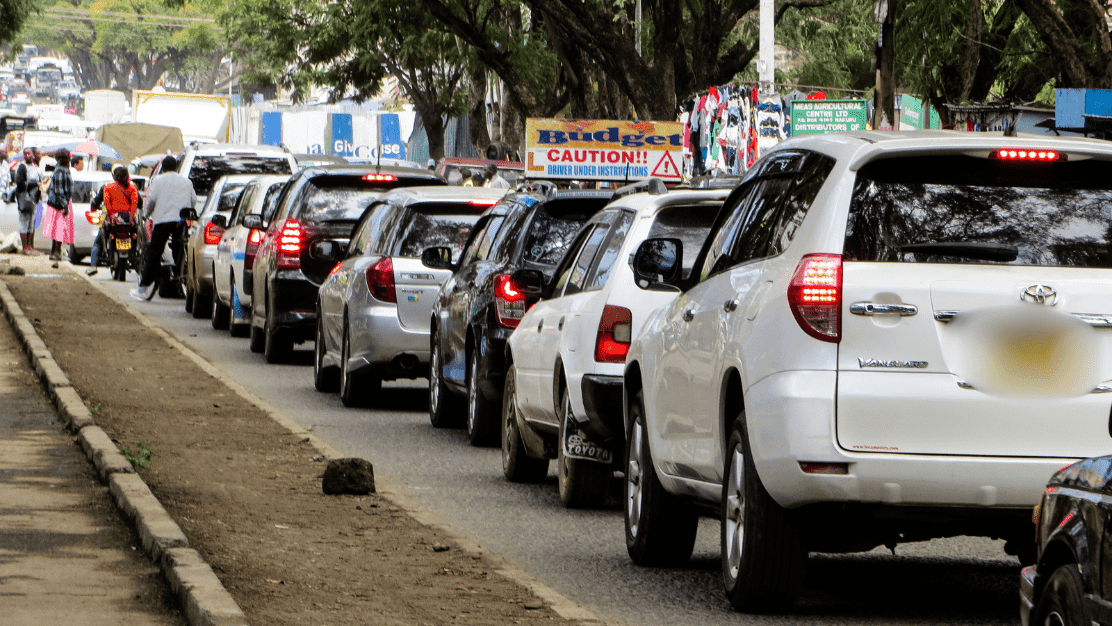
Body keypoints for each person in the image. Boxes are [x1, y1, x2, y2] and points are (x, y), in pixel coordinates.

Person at [130, 155, 195, 301]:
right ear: (176, 167)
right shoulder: (186, 181)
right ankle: (179, 274)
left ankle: (143, 288)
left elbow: (151, 200)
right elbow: (193, 200)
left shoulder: (157, 180)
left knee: (154, 253)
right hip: (181, 220)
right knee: (180, 249)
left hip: (163, 221)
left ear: (163, 168)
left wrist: (146, 215)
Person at [87, 166, 139, 276]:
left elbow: (106, 203)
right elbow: (136, 203)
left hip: (112, 221)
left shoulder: (107, 187)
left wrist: (111, 215)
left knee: (98, 241)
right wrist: (131, 216)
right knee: (135, 236)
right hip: (128, 221)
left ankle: (93, 265)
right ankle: (135, 255)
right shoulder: (133, 188)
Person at [41, 148, 74, 261]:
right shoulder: (61, 171)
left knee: (57, 229)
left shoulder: (60, 170)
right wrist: (65, 205)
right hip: (59, 204)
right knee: (59, 230)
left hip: (58, 203)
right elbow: (60, 191)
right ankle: (55, 253)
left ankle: (54, 252)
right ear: (65, 159)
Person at [12, 147, 43, 255]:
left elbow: (39, 181)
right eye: (25, 154)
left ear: (33, 155)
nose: (27, 156)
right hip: (25, 199)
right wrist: (34, 184)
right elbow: (20, 183)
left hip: (34, 200)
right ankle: (25, 248)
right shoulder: (22, 167)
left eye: (29, 153)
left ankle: (30, 247)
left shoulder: (35, 167)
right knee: (24, 223)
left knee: (31, 223)